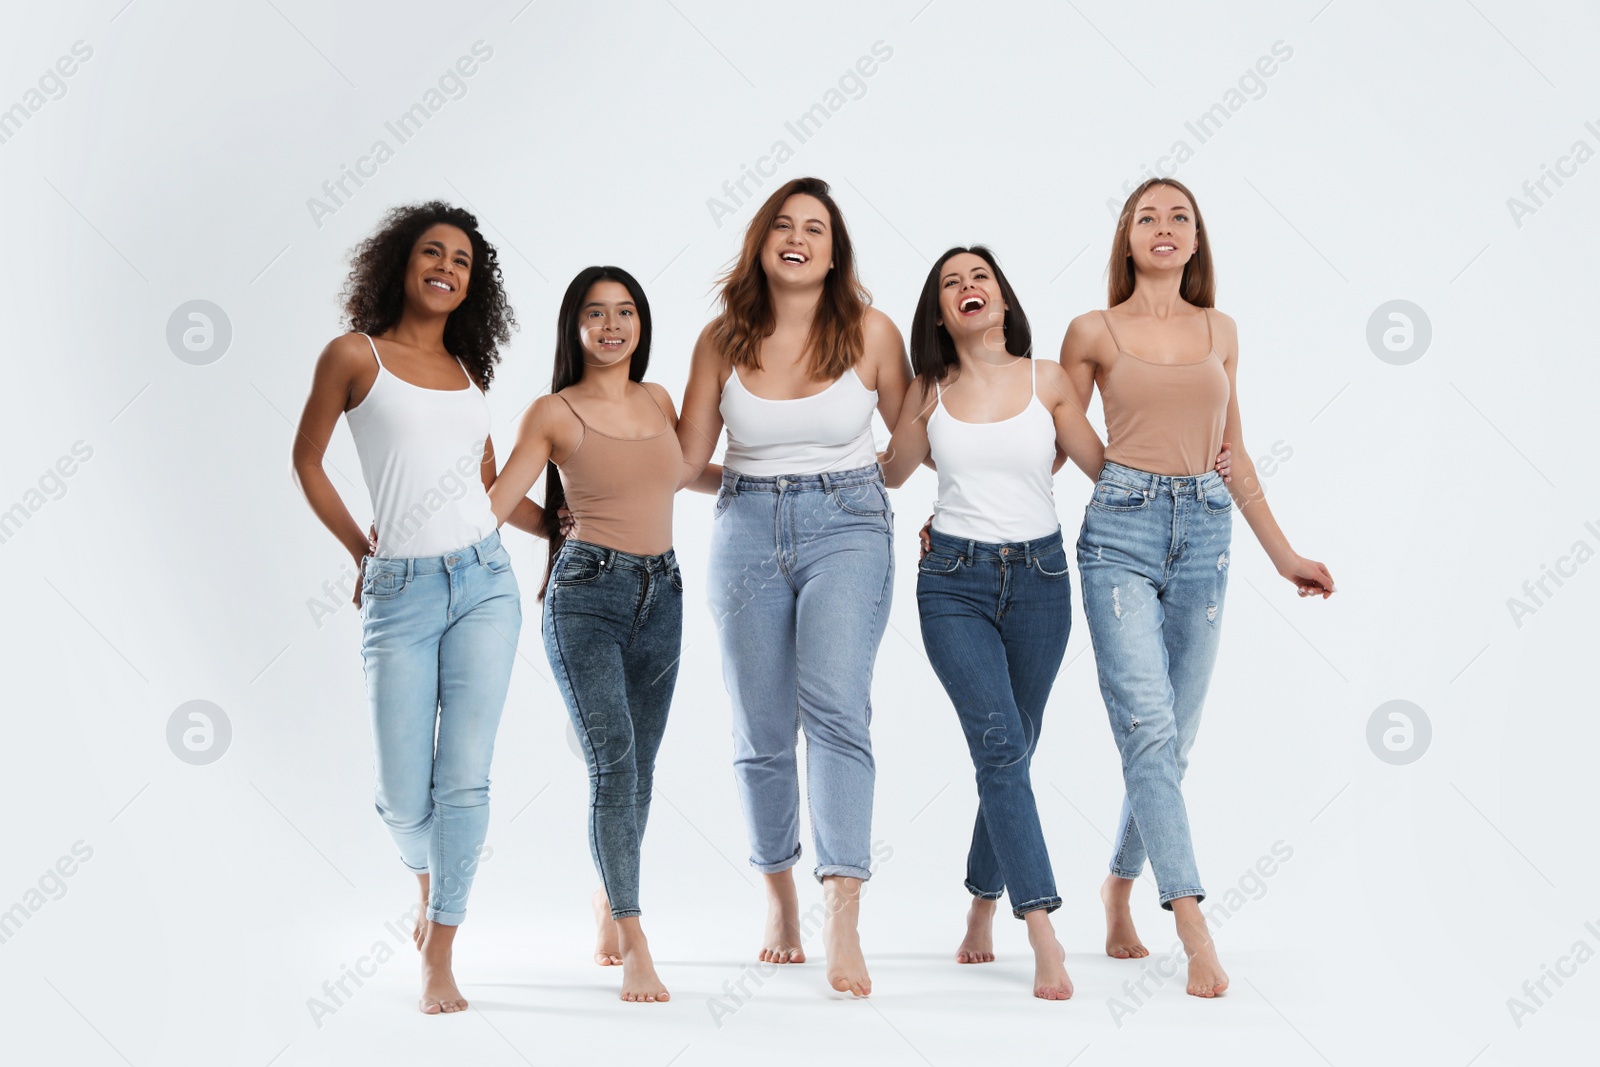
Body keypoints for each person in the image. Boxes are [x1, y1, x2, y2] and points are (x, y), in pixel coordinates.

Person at [1061, 178, 1335, 998]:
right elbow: (1058, 426)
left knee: (1172, 740)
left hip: (1207, 535)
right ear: (1127, 238)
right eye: (1148, 216)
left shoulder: (1223, 330)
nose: (1165, 227)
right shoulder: (1092, 330)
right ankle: (1192, 924)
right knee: (1147, 726)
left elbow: (1234, 451)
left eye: (1180, 215)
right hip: (1120, 533)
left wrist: (1284, 553)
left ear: (1197, 239)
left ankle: (1116, 885)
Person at [292, 201, 533, 1014]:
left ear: (474, 284)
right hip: (399, 591)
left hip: (485, 583)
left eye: (463, 261)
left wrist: (562, 522)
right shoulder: (353, 355)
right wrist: (361, 551)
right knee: (403, 792)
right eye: (433, 253)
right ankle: (429, 879)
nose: (447, 268)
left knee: (464, 778)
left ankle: (441, 946)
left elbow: (488, 484)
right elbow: (307, 460)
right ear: (401, 262)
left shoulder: (470, 375)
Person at [676, 177, 910, 997]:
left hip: (850, 524)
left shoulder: (872, 333)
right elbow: (679, 461)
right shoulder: (720, 340)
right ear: (762, 241)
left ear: (835, 250)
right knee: (761, 724)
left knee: (838, 706)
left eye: (816, 227)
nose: (798, 237)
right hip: (743, 527)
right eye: (784, 223)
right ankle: (778, 895)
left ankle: (841, 906)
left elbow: (912, 433)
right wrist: (587, 480)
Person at [489, 266, 692, 1003]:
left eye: (625, 311)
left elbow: (675, 473)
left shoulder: (661, 399)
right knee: (614, 764)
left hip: (664, 594)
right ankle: (636, 937)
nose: (612, 325)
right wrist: (551, 525)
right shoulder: (553, 411)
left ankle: (609, 899)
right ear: (574, 327)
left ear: (641, 323)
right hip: (586, 599)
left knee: (641, 769)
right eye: (596, 314)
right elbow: (499, 499)